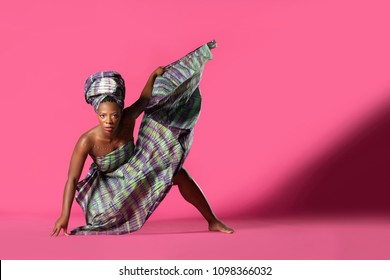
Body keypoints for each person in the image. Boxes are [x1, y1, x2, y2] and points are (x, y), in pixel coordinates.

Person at [51, 41, 233, 236]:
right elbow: (72, 179)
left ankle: (212, 220)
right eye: (103, 116)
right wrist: (65, 215)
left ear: (121, 113)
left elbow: (145, 100)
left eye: (114, 115)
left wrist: (153, 75)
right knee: (104, 218)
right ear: (97, 114)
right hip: (111, 185)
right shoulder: (87, 141)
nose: (109, 121)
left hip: (135, 166)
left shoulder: (128, 119)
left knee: (179, 173)